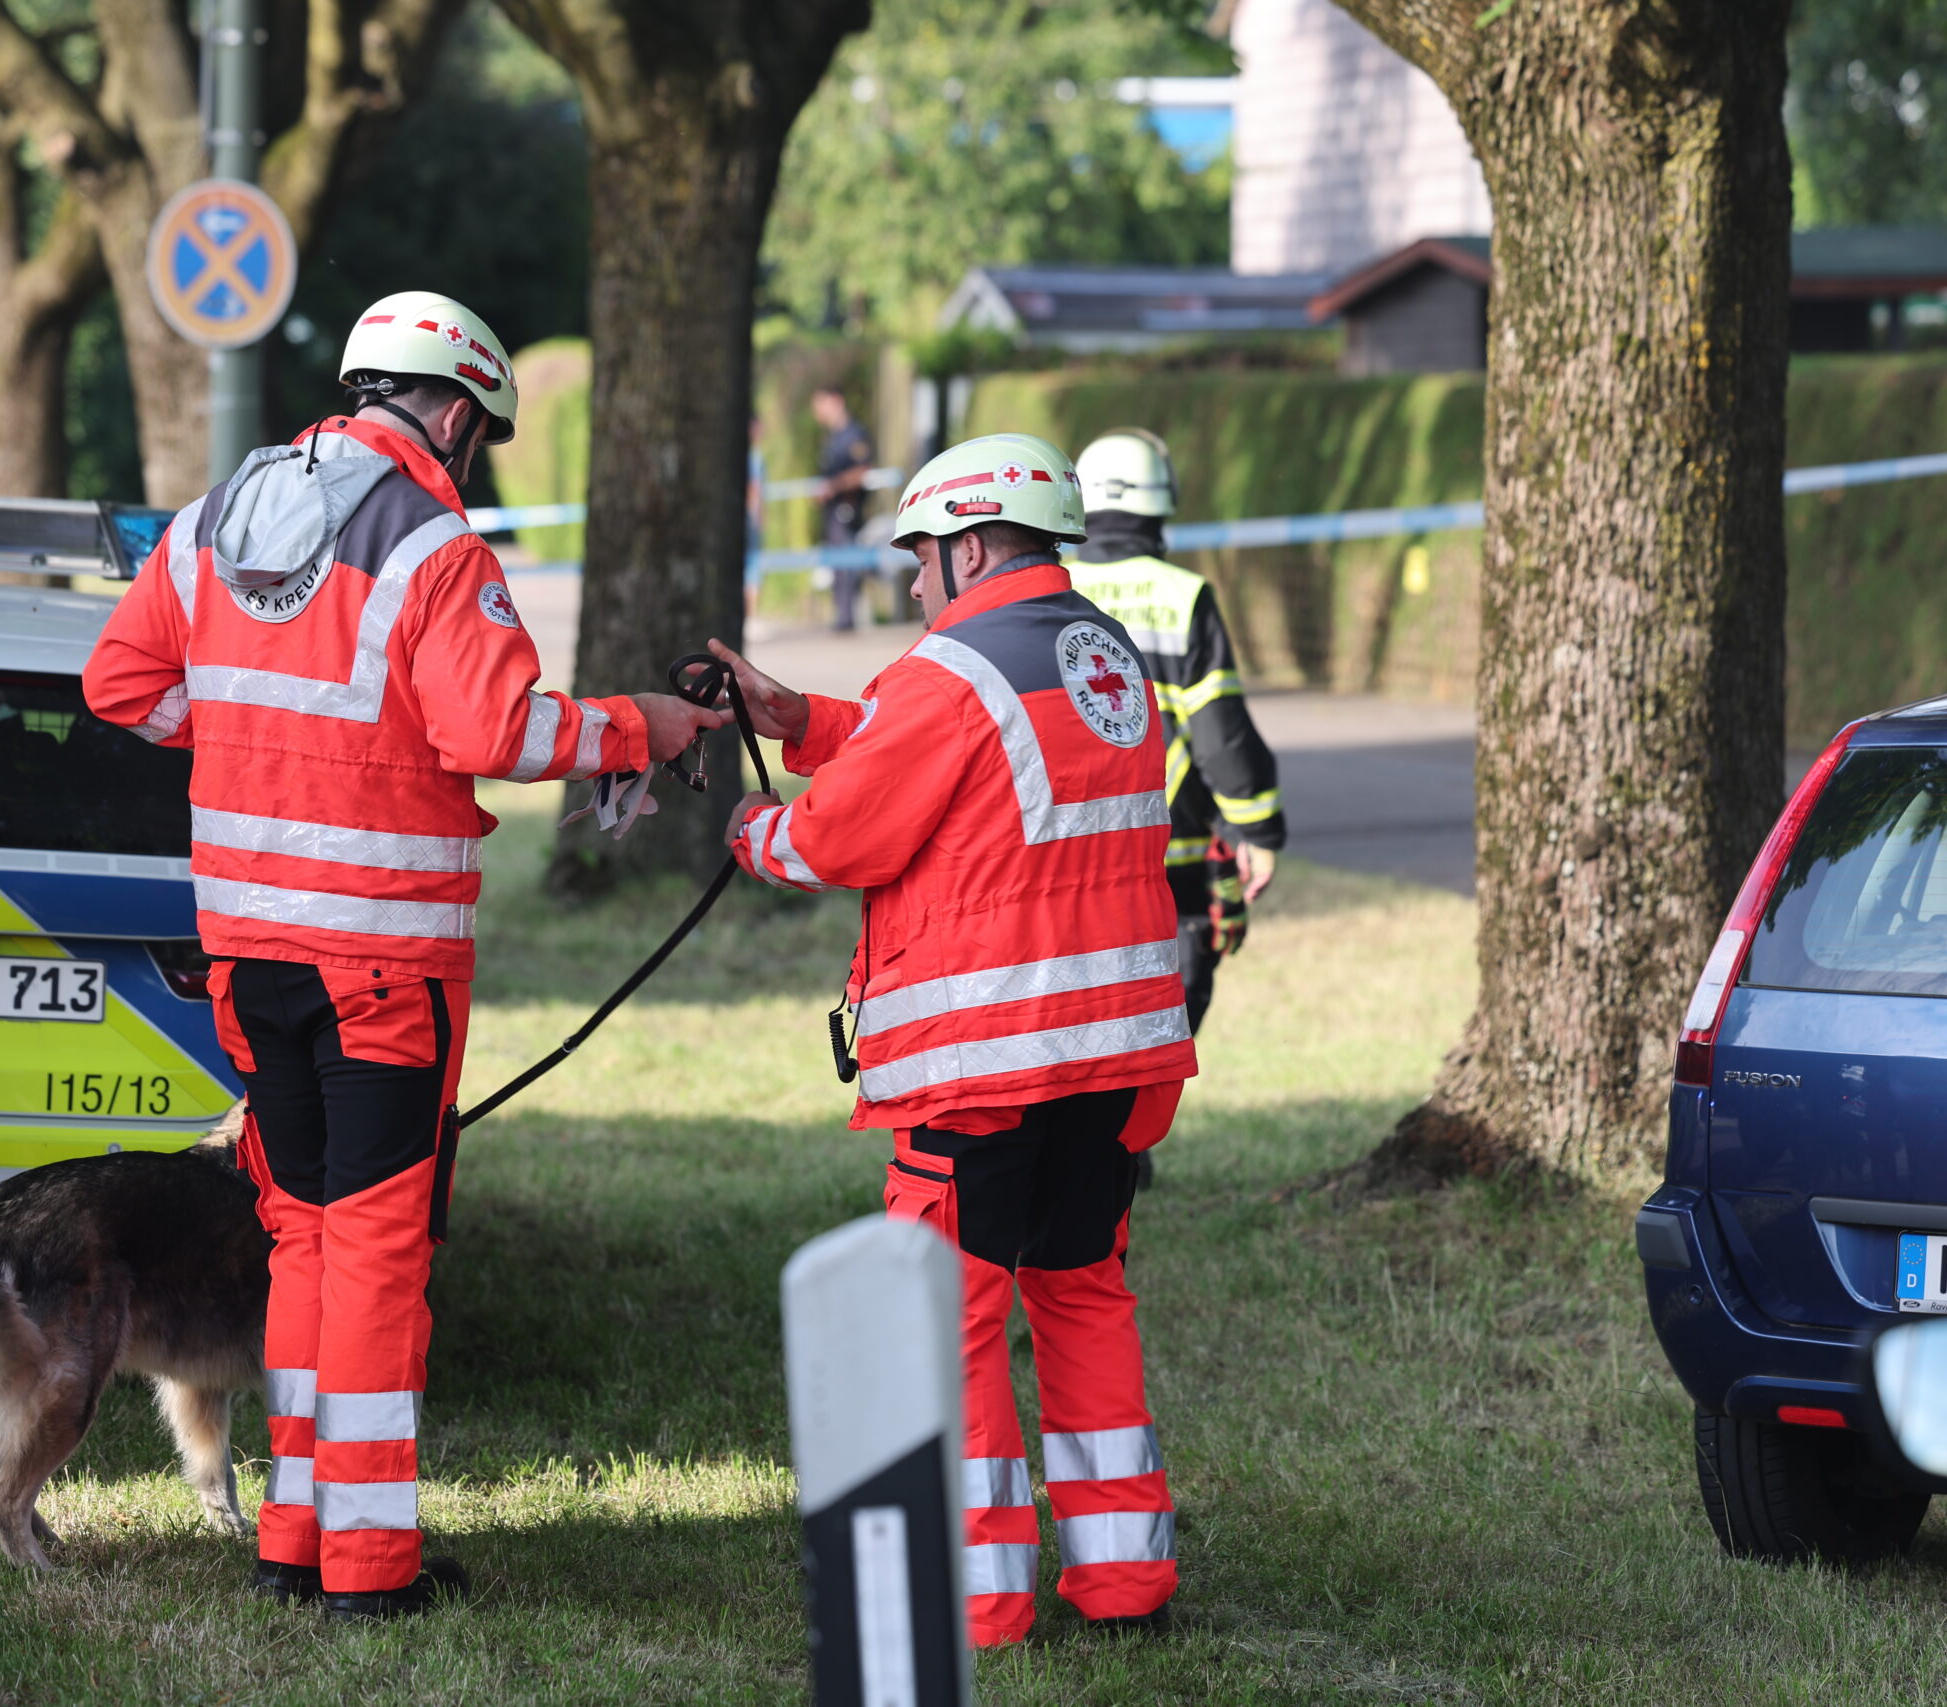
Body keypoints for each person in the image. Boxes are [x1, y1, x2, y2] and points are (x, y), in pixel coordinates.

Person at [83, 290, 721, 1623]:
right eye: (478, 433)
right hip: (379, 963)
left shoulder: (213, 519)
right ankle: (369, 1568)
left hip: (250, 955)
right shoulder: (433, 543)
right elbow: (497, 730)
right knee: (377, 1255)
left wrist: (253, 738)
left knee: (305, 1239)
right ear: (455, 413)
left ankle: (295, 1536)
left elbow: (122, 685)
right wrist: (640, 725)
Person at [709, 432, 1192, 1646]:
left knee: (950, 1320)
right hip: (1114, 1058)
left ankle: (980, 1601)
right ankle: (1124, 1582)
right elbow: (945, 751)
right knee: (1082, 1296)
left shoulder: (950, 669)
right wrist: (800, 716)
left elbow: (839, 834)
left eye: (919, 559)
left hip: (985, 1063)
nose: (916, 583)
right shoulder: (1101, 655)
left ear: (969, 548)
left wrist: (755, 831)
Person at [1069, 429, 1284, 1039]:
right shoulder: (1182, 596)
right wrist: (1257, 829)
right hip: (1170, 858)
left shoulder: (1047, 591)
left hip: (1068, 853)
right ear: (1161, 503)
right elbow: (1219, 730)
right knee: (1157, 1037)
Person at [810, 385, 876, 630]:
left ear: (836, 401)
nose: (817, 411)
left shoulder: (854, 435)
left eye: (821, 404)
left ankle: (846, 617)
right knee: (837, 562)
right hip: (832, 511)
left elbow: (863, 470)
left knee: (847, 560)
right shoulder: (832, 437)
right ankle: (842, 615)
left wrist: (834, 486)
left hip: (847, 508)